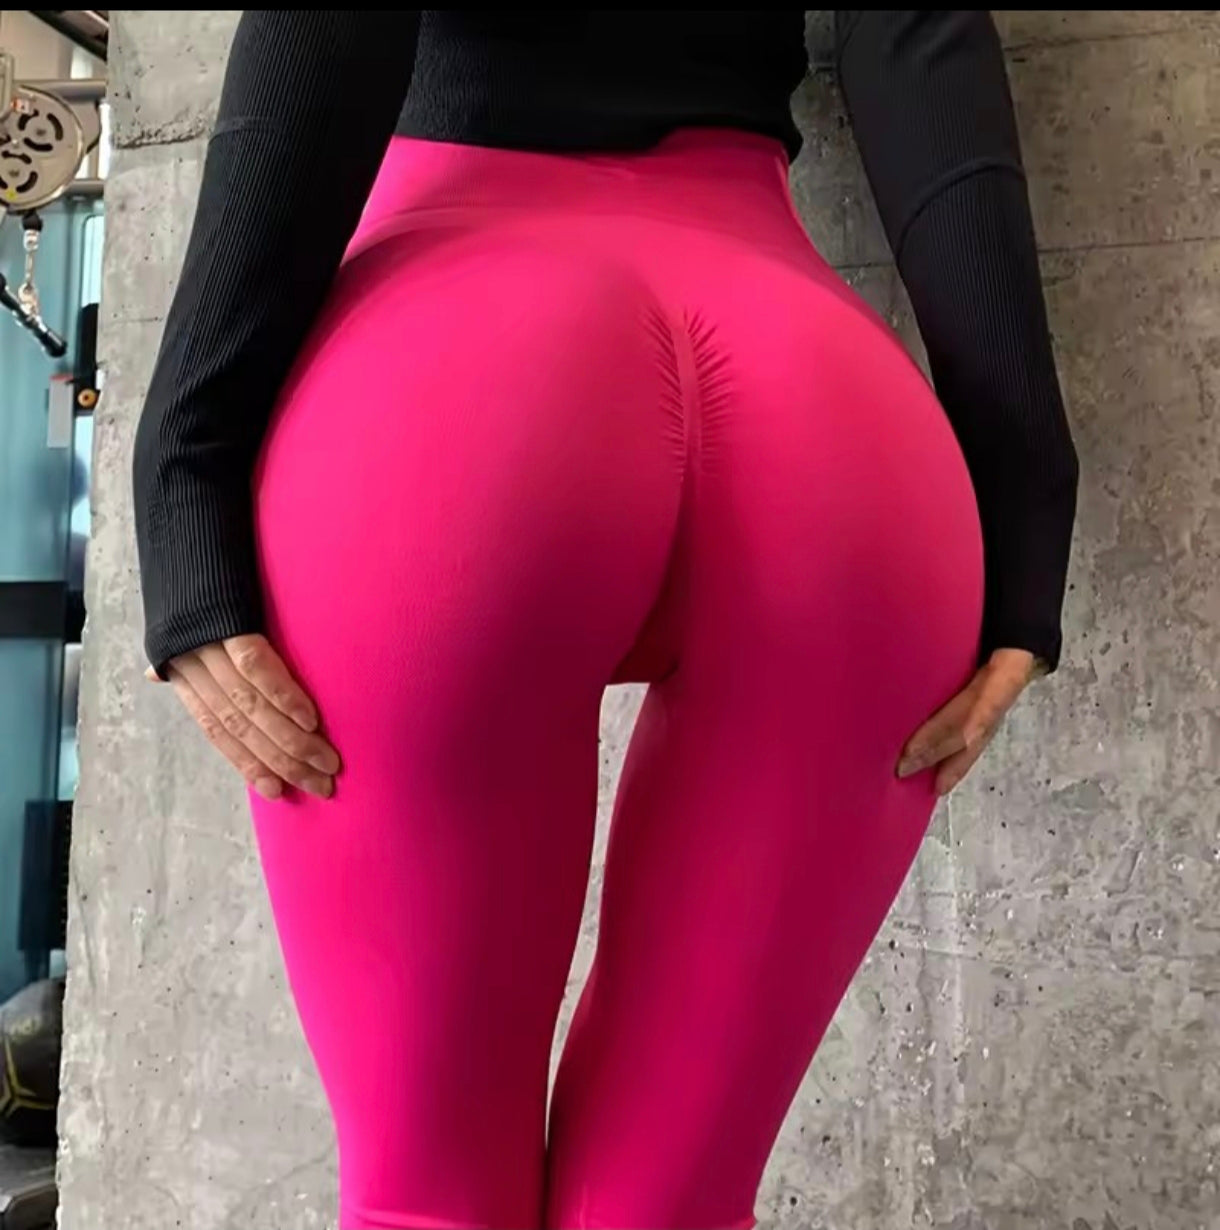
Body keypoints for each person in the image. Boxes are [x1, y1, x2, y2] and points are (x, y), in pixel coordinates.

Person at [132, 12, 1078, 1230]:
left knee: (429, 1201)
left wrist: (183, 474)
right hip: (827, 415)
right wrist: (1022, 514)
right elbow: (918, 38)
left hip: (454, 381)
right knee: (670, 1205)